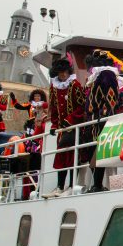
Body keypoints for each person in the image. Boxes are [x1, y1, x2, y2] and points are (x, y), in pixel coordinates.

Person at [81, 50, 123, 193]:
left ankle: (98, 184)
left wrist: (105, 113)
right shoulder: (97, 75)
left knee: (98, 151)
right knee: (91, 151)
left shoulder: (107, 74)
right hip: (93, 119)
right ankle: (96, 183)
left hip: (101, 119)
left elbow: (112, 95)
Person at [46, 58, 85, 197]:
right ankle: (60, 186)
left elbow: (82, 106)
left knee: (74, 156)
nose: (63, 74)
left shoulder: (75, 85)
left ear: (69, 72)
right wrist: (54, 124)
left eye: (65, 72)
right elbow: (54, 108)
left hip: (75, 127)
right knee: (61, 157)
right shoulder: (54, 87)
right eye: (60, 72)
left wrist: (70, 120)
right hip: (62, 130)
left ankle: (72, 185)